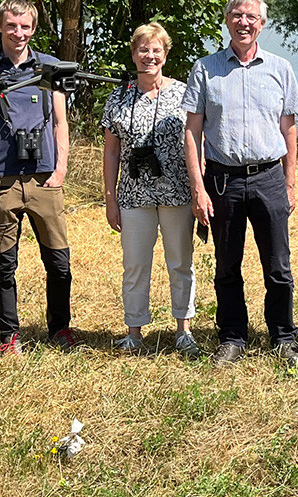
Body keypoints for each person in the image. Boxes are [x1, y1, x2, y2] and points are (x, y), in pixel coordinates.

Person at [182, 0, 298, 366]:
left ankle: (283, 337)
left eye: (251, 16)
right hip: (223, 181)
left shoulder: (280, 69)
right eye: (237, 15)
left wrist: (290, 182)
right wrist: (198, 188)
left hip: (269, 177)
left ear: (262, 23)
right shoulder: (205, 69)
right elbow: (192, 132)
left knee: (278, 266)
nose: (244, 22)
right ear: (227, 20)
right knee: (227, 264)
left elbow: (289, 130)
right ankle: (233, 337)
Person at [0, 0, 76, 355]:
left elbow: (60, 122)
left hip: (44, 178)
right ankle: (8, 337)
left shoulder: (51, 67)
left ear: (34, 28)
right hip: (1, 180)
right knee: (3, 263)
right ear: (0, 26)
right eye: (11, 25)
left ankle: (59, 328)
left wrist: (60, 170)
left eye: (25, 26)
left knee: (58, 261)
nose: (18, 33)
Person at [102, 23, 199, 356]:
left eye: (156, 50)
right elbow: (111, 150)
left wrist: (200, 189)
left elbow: (196, 142)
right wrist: (110, 198)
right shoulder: (119, 96)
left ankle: (184, 330)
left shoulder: (184, 93)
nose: (149, 56)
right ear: (134, 54)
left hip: (176, 193)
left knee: (180, 262)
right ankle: (134, 331)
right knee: (135, 264)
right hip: (133, 195)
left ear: (165, 54)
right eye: (143, 50)